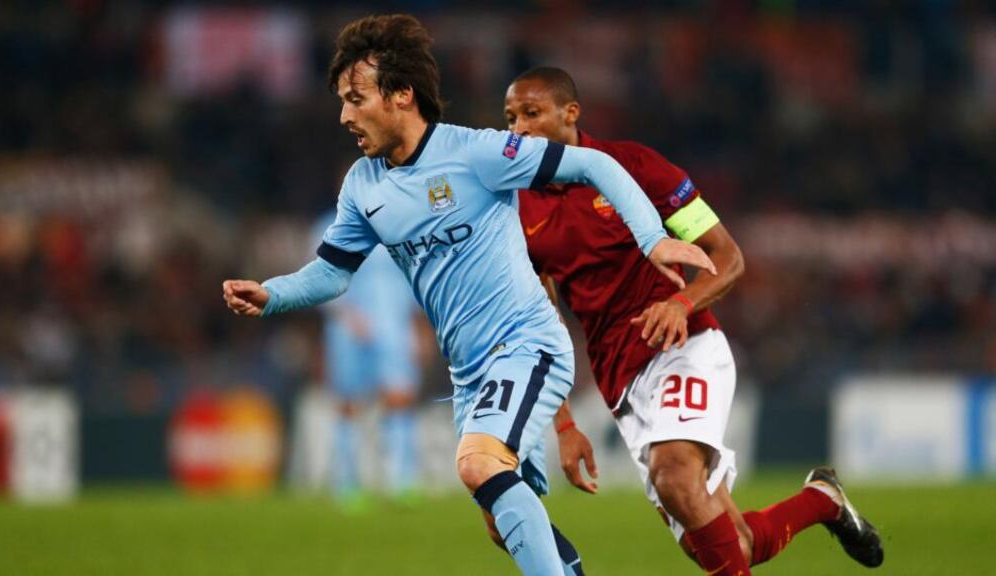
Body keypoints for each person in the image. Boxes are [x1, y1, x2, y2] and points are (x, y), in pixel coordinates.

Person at [222, 15, 715, 576]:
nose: (345, 116)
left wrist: (653, 240)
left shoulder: (477, 154)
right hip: (468, 374)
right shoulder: (363, 184)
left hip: (527, 344)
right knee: (502, 520)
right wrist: (272, 294)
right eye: (341, 101)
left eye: (356, 99)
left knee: (480, 463)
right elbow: (334, 273)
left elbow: (594, 163)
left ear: (401, 94)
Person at [504, 66, 884, 575]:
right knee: (732, 545)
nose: (519, 129)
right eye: (510, 118)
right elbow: (538, 319)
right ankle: (822, 500)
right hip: (620, 380)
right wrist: (564, 423)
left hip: (683, 345)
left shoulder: (634, 168)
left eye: (532, 114)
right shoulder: (517, 206)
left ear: (570, 113)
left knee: (675, 476)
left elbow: (727, 258)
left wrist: (680, 304)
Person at [315, 209, 422, 509]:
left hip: (394, 325)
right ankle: (348, 486)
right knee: (349, 404)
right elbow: (317, 277)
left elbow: (414, 274)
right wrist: (345, 314)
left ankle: (402, 482)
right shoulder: (328, 227)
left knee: (399, 397)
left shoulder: (399, 221)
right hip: (347, 328)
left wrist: (418, 325)